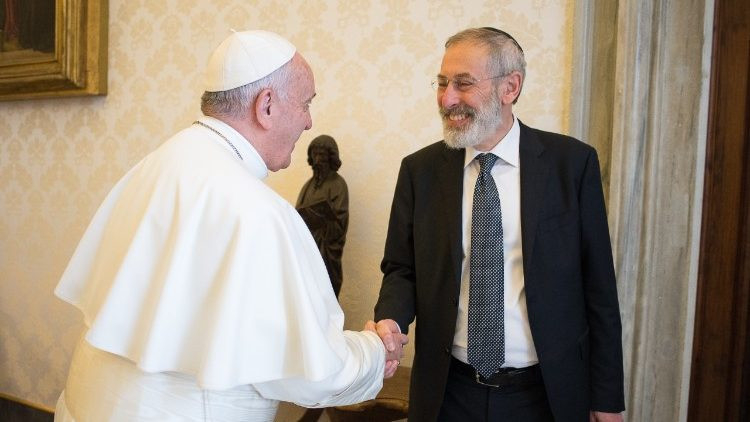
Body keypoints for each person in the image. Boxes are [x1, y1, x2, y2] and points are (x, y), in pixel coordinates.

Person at [53, 30, 405, 422]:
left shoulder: (154, 165)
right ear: (266, 105)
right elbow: (313, 375)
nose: (309, 122)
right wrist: (375, 351)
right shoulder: (257, 211)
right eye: (306, 104)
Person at [372, 27, 625, 421]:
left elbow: (599, 288)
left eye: (463, 83)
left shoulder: (572, 165)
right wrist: (391, 317)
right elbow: (401, 269)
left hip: (545, 395)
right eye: (442, 83)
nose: (447, 98)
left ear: (510, 87)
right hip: (448, 394)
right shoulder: (420, 171)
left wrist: (606, 397)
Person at [296, 134, 349, 298]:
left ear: (331, 157)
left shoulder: (338, 184)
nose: (318, 160)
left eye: (322, 155)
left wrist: (323, 220)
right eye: (315, 154)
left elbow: (340, 222)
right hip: (307, 248)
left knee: (326, 293)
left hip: (326, 250)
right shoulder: (308, 186)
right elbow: (297, 216)